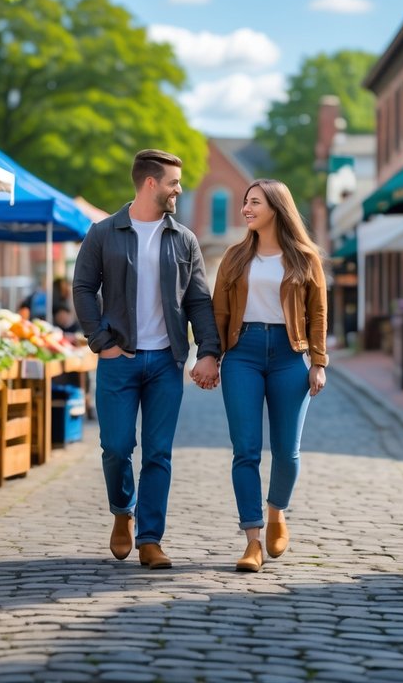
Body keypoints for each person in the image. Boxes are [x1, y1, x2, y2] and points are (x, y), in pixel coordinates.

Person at [73, 149, 221, 570]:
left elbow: (198, 299)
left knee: (158, 453)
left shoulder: (184, 239)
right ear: (151, 183)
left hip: (166, 363)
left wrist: (208, 350)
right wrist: (101, 340)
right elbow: (83, 288)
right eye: (174, 183)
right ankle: (123, 510)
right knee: (116, 447)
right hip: (118, 359)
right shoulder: (103, 233)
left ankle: (151, 538)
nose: (179, 190)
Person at [212, 179, 328, 573]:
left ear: (276, 207)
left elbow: (317, 313)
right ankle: (252, 540)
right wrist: (210, 355)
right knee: (245, 449)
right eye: (245, 201)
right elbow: (218, 312)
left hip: (289, 355)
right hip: (242, 353)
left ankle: (277, 511)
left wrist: (319, 361)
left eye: (254, 202)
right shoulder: (234, 257)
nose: (246, 208)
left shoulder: (305, 258)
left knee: (286, 451)